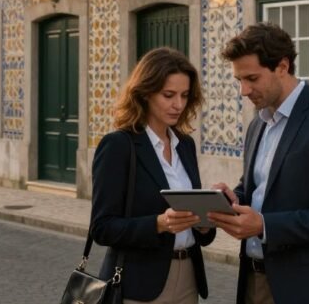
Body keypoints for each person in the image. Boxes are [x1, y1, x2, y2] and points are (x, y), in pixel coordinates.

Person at [207, 23, 309, 304]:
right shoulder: (258, 123)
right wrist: (229, 200)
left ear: (282, 66)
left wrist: (264, 226)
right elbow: (257, 190)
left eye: (252, 78)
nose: (244, 90)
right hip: (254, 281)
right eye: (239, 80)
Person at [91, 47, 216, 304]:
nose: (178, 104)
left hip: (189, 278)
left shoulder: (185, 145)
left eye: (184, 95)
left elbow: (200, 230)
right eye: (168, 95)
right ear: (146, 93)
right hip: (140, 285)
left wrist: (205, 222)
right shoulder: (119, 146)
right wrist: (159, 224)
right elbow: (102, 228)